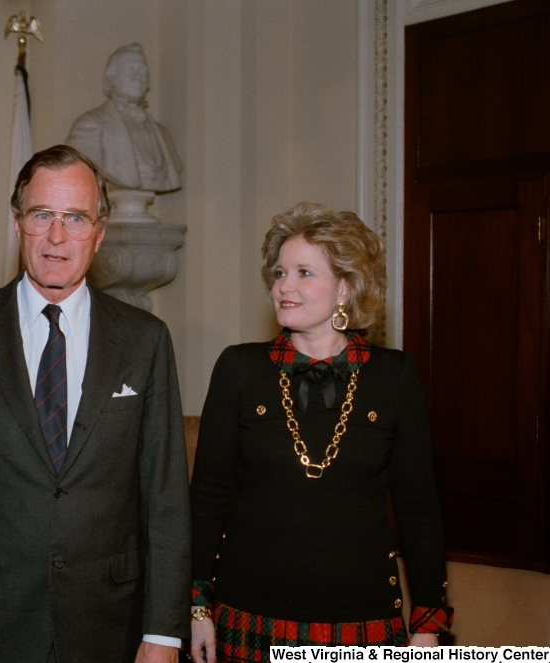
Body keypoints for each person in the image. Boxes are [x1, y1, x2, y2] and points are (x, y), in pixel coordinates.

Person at [0, 144, 191, 663]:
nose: (57, 236)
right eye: (42, 215)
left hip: (109, 627)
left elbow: (165, 500)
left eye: (75, 217)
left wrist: (163, 635)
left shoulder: (145, 341)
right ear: (17, 221)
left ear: (100, 230)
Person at [189, 203, 453, 663]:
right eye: (279, 272)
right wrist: (194, 607)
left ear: (345, 288)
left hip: (364, 621)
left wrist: (429, 624)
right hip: (248, 614)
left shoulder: (394, 376)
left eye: (304, 273)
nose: (284, 286)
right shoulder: (239, 368)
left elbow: (419, 510)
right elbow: (207, 498)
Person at [66, 44, 181, 193]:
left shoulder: (162, 133)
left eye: (142, 71)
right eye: (130, 71)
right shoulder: (89, 125)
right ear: (112, 79)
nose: (138, 77)